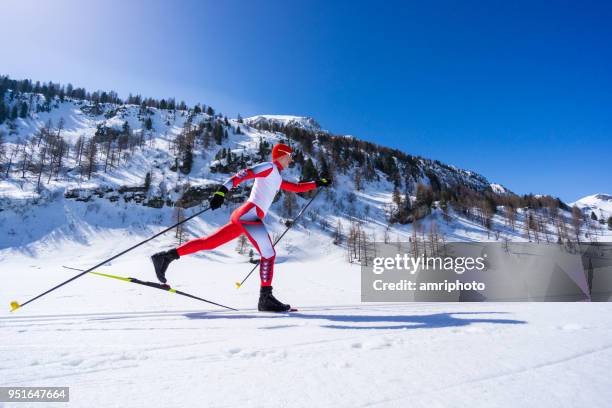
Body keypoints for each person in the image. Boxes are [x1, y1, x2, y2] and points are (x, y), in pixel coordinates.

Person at [151, 143, 332, 312]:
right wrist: (222, 191)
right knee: (268, 253)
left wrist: (318, 183)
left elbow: (296, 187)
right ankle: (265, 298)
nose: (292, 159)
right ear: (281, 155)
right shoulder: (268, 167)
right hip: (249, 214)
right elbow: (244, 174)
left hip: (246, 215)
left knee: (210, 242)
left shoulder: (276, 176)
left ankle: (166, 257)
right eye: (290, 155)